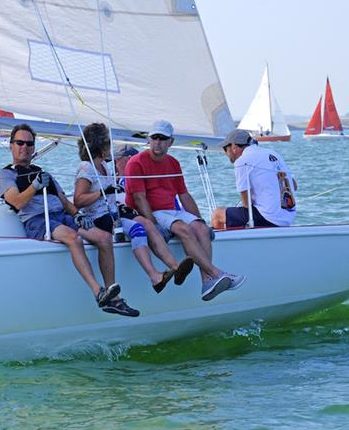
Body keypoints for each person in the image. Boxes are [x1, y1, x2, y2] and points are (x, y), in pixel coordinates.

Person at [0, 123, 133, 316]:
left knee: (103, 238)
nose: (24, 147)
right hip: (38, 220)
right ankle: (98, 292)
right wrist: (34, 186)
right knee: (73, 238)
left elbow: (64, 201)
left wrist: (77, 215)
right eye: (20, 143)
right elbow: (16, 202)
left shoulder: (44, 173)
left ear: (34, 147)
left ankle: (113, 297)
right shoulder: (7, 174)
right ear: (11, 145)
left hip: (61, 215)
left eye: (29, 144)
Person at [124, 120, 245, 301]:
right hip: (152, 212)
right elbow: (139, 198)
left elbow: (184, 195)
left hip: (171, 211)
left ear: (170, 142)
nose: (157, 142)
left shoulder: (173, 163)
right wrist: (154, 225)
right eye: (154, 138)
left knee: (202, 230)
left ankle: (207, 282)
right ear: (149, 139)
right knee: (183, 229)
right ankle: (215, 272)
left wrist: (199, 219)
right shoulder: (136, 162)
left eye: (162, 138)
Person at [73, 123, 191, 300]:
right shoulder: (86, 167)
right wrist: (103, 192)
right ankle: (154, 276)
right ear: (101, 144)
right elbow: (78, 200)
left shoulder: (104, 166)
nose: (110, 146)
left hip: (112, 212)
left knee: (148, 224)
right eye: (108, 141)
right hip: (97, 217)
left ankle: (175, 267)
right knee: (138, 229)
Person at [111, 143, 195, 292]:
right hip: (139, 217)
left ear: (128, 159)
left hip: (137, 216)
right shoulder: (117, 180)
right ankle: (175, 267)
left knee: (146, 225)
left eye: (117, 160)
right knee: (146, 225)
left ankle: (173, 268)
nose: (114, 165)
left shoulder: (128, 179)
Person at [211, 129, 297, 230]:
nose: (225, 154)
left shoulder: (241, 161)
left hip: (269, 218)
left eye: (225, 149)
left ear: (233, 147)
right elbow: (294, 185)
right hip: (288, 218)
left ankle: (230, 244)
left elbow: (247, 204)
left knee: (217, 215)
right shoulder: (273, 154)